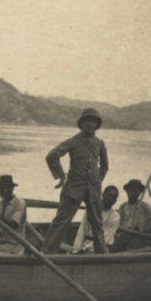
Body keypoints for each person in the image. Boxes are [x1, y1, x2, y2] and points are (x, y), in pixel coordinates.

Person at [41, 108, 109, 254]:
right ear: (82, 123)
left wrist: (97, 181)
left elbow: (104, 166)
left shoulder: (100, 143)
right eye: (87, 121)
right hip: (73, 188)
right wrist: (60, 175)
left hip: (94, 189)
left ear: (97, 125)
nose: (90, 124)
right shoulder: (73, 141)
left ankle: (102, 256)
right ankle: (47, 253)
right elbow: (52, 156)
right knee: (61, 221)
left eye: (93, 122)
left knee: (97, 223)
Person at [0, 175, 28, 254]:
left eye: (6, 188)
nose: (3, 191)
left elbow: (13, 224)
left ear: (12, 188)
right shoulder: (1, 203)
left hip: (14, 245)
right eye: (1, 188)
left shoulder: (20, 203)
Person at [110, 178, 151, 252]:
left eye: (136, 190)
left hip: (138, 237)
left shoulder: (144, 206)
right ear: (127, 191)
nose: (132, 192)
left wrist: (147, 231)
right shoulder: (123, 206)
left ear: (139, 193)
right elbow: (119, 223)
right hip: (123, 235)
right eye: (131, 190)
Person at [73, 185, 120, 253]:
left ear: (115, 201)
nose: (111, 199)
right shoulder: (91, 209)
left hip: (101, 249)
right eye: (109, 195)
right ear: (103, 195)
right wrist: (76, 249)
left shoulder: (115, 216)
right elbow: (82, 230)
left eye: (114, 198)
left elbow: (104, 239)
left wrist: (85, 249)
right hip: (85, 245)